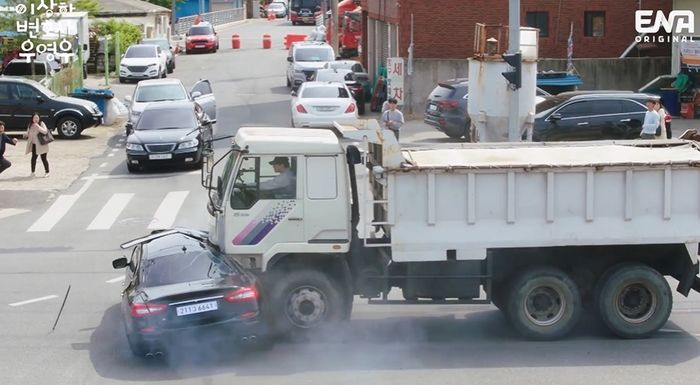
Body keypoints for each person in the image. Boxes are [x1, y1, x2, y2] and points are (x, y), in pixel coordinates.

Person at [23, 113, 50, 177]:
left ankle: (47, 172)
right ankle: (33, 172)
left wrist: (38, 127)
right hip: (34, 144)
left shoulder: (41, 123)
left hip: (42, 144)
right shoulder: (30, 124)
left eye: (37, 118)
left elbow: (45, 131)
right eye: (34, 118)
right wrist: (26, 135)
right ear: (32, 118)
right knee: (33, 158)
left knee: (43, 158)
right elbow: (28, 133)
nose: (36, 119)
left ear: (39, 118)